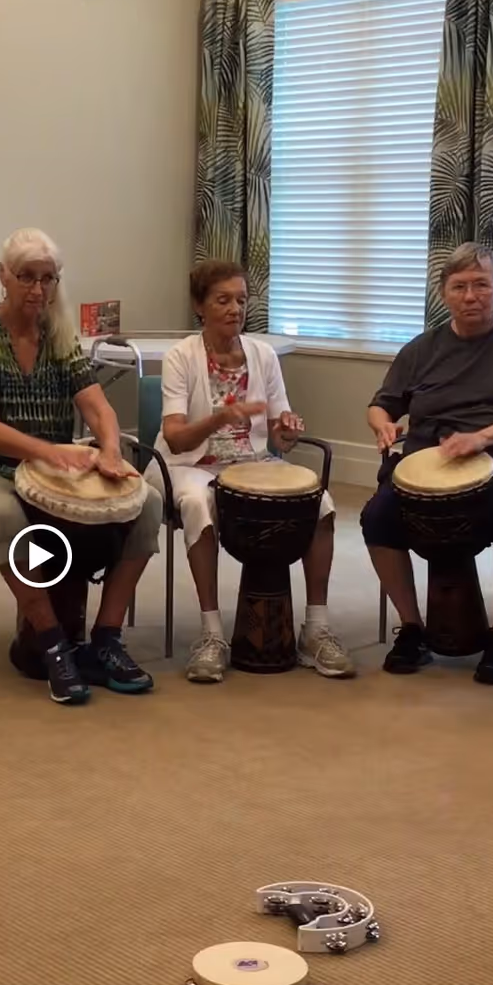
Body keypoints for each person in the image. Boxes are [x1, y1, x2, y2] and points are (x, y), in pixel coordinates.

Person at [0, 228, 163, 706]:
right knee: (6, 518)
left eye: (49, 279)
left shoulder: (58, 333)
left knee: (147, 503)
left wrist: (108, 451)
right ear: (3, 276)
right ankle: (53, 645)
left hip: (52, 466)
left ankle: (105, 639)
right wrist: (46, 451)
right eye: (27, 277)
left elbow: (99, 408)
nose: (38, 290)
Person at [149, 259, 354, 683]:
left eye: (241, 300)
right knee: (199, 504)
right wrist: (220, 419)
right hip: (191, 465)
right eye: (222, 300)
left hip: (252, 463)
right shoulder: (180, 357)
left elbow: (278, 440)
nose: (234, 309)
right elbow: (175, 438)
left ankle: (315, 629)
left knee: (323, 503)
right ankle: (211, 635)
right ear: (199, 306)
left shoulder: (263, 355)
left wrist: (288, 430)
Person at [362, 242, 493, 683]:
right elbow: (382, 404)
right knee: (378, 517)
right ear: (444, 294)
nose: (471, 296)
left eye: (481, 285)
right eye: (459, 287)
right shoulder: (420, 349)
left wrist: (482, 437)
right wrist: (383, 426)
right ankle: (411, 627)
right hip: (426, 462)